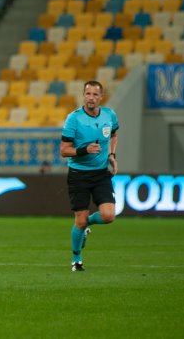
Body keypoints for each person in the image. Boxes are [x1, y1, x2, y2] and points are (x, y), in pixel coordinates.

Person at [60, 81, 119, 272]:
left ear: (101, 97)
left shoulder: (109, 115)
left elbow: (114, 134)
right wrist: (84, 150)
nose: (91, 98)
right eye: (87, 94)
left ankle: (87, 225)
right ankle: (76, 259)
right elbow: (63, 151)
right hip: (79, 175)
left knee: (109, 216)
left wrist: (111, 155)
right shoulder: (74, 119)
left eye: (95, 94)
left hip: (101, 173)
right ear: (83, 95)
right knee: (79, 219)